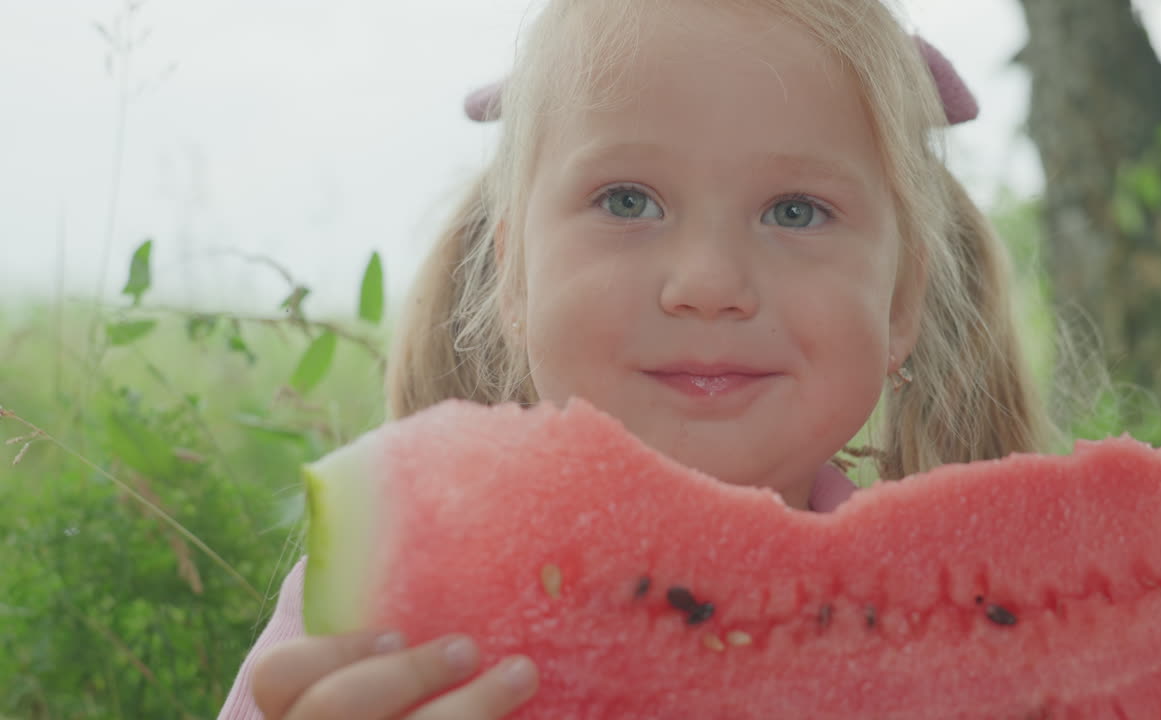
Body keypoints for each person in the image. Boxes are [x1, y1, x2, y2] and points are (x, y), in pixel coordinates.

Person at [218, 1, 1051, 717]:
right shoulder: (383, 608)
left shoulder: (964, 630)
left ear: (901, 301)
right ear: (514, 275)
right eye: (628, 201)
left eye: (795, 211)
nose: (709, 283)